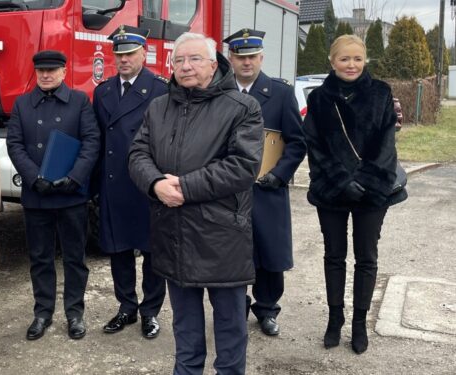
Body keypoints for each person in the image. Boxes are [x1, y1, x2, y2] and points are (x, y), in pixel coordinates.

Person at [128, 33, 263, 374]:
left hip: (222, 237)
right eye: (179, 61)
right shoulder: (159, 107)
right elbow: (137, 154)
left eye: (194, 59)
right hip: (173, 235)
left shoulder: (242, 107)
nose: (185, 67)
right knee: (186, 332)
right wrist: (155, 183)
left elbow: (243, 166)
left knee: (230, 331)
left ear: (214, 63)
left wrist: (184, 187)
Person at [303, 34, 407, 354]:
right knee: (334, 256)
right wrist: (340, 180)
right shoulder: (320, 98)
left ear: (365, 61)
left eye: (357, 59)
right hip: (331, 191)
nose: (352, 65)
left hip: (372, 192)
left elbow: (386, 144)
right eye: (345, 59)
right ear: (332, 62)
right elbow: (315, 145)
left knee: (366, 257)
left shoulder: (381, 93)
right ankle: (335, 320)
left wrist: (365, 181)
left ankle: (360, 324)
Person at [6, 50, 100, 341]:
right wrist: (35, 178)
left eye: (52, 70)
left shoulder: (80, 102)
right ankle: (42, 313)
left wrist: (73, 178)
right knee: (40, 258)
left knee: (74, 258)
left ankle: (75, 313)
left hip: (71, 195)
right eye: (41, 71)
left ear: (63, 72)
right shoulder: (22, 104)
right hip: (38, 195)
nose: (46, 75)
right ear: (36, 72)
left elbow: (91, 141)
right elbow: (15, 144)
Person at [224, 28, 306, 336]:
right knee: (232, 252)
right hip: (229, 189)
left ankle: (268, 308)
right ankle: (235, 306)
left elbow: (297, 142)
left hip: (267, 189)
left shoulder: (281, 93)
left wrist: (279, 174)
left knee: (269, 254)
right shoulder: (219, 93)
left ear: (262, 58)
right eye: (240, 57)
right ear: (231, 59)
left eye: (252, 57)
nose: (247, 63)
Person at [92, 25, 167, 339]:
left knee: (152, 253)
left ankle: (150, 312)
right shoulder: (104, 91)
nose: (123, 60)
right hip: (114, 184)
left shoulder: (161, 89)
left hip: (147, 183)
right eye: (118, 54)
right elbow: (97, 139)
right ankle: (126, 307)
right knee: (119, 249)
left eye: (130, 53)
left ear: (144, 53)